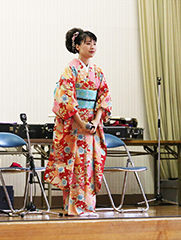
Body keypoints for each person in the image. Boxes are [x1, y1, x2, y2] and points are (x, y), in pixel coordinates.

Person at [44, 28, 112, 217]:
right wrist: (81, 122)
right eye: (88, 43)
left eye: (94, 43)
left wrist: (97, 120)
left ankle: (89, 206)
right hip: (75, 125)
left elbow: (104, 97)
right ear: (77, 46)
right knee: (75, 164)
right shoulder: (70, 69)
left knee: (90, 164)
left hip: (92, 124)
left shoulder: (97, 71)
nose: (92, 47)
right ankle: (74, 207)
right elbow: (65, 97)